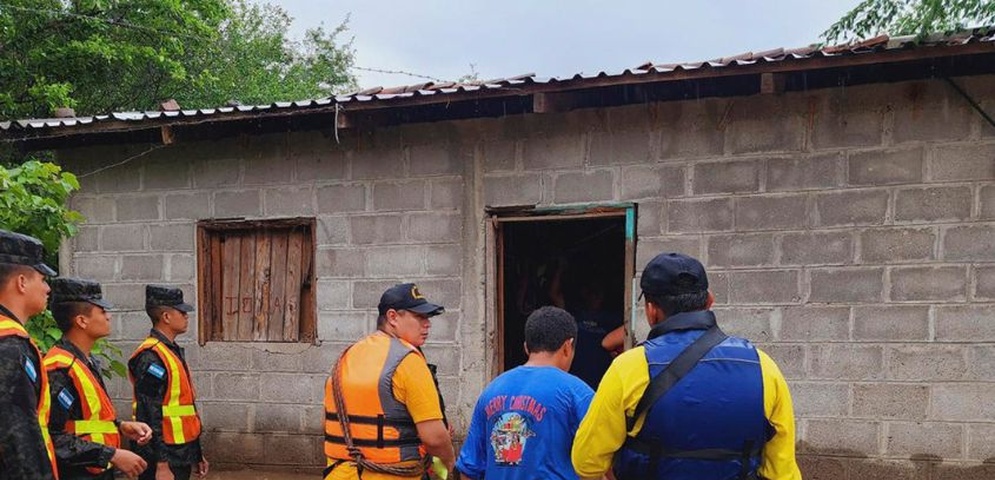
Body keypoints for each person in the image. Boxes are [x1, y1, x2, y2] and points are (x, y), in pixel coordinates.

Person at [571, 252, 802, 480]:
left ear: (651, 311)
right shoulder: (763, 368)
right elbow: (782, 472)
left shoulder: (629, 368)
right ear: (710, 301)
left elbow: (587, 462)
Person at [324, 283, 455, 480]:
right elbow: (435, 438)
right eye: (419, 317)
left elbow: (328, 421)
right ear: (392, 317)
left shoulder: (346, 356)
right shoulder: (407, 361)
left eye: (428, 318)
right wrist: (451, 463)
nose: (427, 324)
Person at [455, 306, 594, 480]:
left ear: (526, 347)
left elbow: (469, 469)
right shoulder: (578, 393)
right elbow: (599, 459)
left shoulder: (491, 390)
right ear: (567, 346)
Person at [45, 278, 153, 479]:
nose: (109, 317)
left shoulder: (85, 361)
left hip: (98, 470)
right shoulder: (60, 369)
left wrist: (120, 426)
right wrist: (112, 454)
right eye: (102, 312)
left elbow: (83, 420)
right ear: (81, 320)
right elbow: (54, 437)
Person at [129, 285, 207, 480]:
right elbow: (148, 412)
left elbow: (187, 409)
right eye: (181, 311)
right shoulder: (151, 357)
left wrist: (196, 454)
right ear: (166, 317)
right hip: (164, 457)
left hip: (181, 453)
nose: (186, 316)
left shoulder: (170, 351)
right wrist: (161, 465)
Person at [0, 229, 59, 479]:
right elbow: (17, 441)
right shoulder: (10, 347)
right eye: (43, 279)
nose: (47, 288)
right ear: (21, 282)